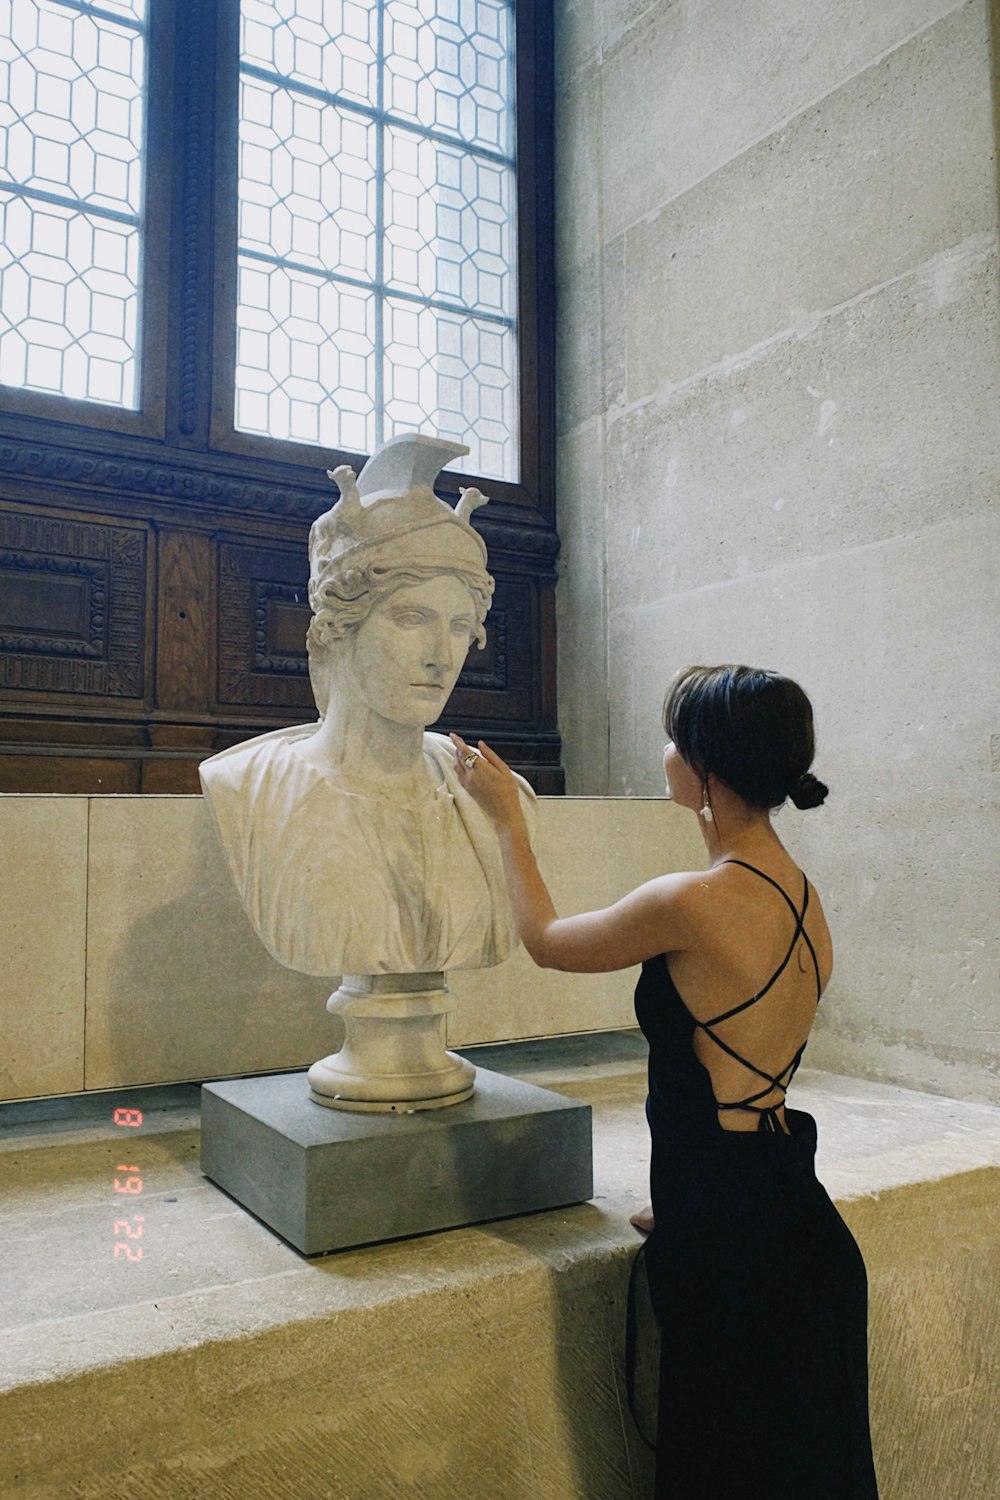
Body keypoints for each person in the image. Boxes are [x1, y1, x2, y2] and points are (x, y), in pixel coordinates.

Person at [450, 664, 878, 1499]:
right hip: (796, 1226)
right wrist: (683, 1201)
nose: (665, 750)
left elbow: (545, 940)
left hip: (735, 1260)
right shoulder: (803, 896)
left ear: (708, 769)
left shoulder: (691, 900)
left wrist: (507, 822)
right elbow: (743, 1089)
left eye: (677, 738)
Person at [200, 434, 535, 979]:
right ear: (339, 629)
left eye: (458, 627)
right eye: (411, 619)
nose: (441, 657)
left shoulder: (501, 798)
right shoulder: (247, 786)